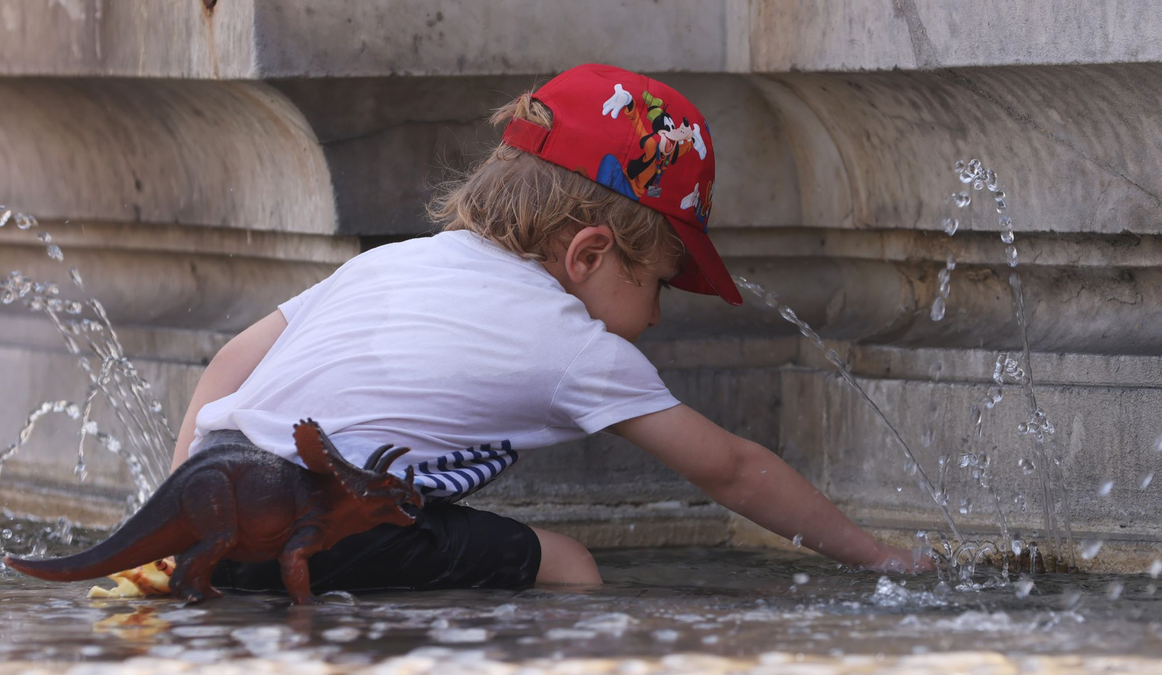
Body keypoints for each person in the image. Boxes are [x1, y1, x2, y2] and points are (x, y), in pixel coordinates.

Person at [171, 63, 928, 595]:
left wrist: (173, 513)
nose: (659, 315)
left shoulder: (392, 263)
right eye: (661, 281)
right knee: (566, 563)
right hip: (322, 527)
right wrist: (877, 555)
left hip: (215, 506)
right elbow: (728, 468)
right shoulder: (573, 345)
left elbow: (228, 367)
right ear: (591, 253)